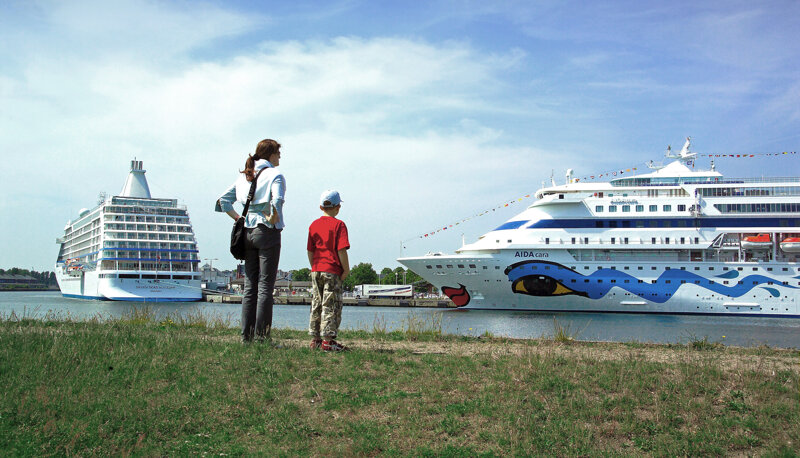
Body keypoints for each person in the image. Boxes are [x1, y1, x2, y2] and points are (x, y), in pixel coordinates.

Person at [215, 139, 286, 343]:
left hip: (246, 232)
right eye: (278, 153)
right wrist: (274, 217)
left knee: (250, 286)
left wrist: (239, 218)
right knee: (265, 286)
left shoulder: (245, 175)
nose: (280, 157)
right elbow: (278, 200)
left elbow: (223, 201)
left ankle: (246, 336)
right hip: (267, 232)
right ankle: (263, 337)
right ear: (271, 154)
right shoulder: (275, 175)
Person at [307, 190, 350, 351]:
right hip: (331, 269)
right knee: (331, 304)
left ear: (320, 207)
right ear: (338, 207)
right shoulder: (339, 225)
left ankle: (315, 338)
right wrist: (345, 269)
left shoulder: (313, 225)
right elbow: (341, 250)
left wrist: (314, 266)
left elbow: (310, 251)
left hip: (316, 268)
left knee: (317, 302)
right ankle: (328, 340)